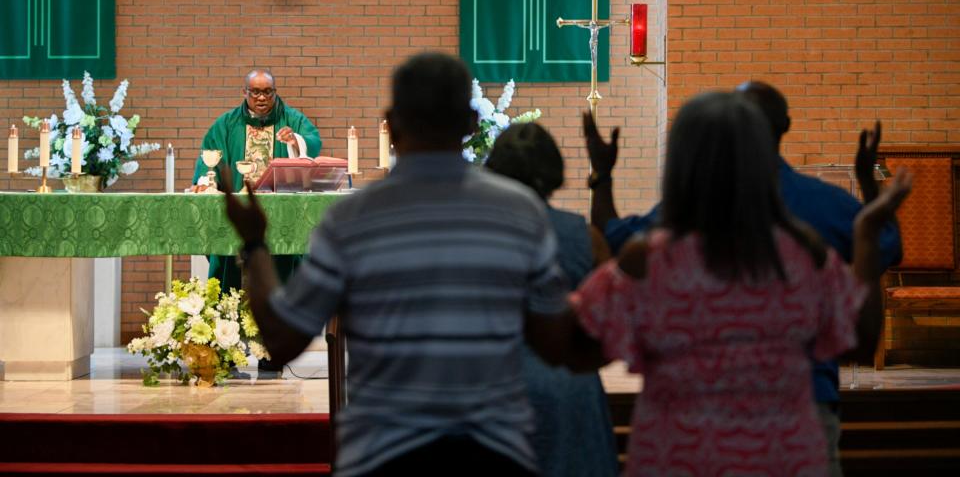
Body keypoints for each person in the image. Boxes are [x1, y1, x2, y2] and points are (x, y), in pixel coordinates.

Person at [222, 53, 573, 477]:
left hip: (382, 451)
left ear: (391, 124)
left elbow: (281, 341)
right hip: (493, 450)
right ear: (473, 125)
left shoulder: (351, 220)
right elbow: (557, 342)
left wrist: (256, 243)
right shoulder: (521, 214)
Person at [569, 92, 912, 475]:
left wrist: (601, 175)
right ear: (780, 130)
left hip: (682, 441)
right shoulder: (813, 233)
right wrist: (869, 193)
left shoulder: (662, 240)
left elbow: (611, 241)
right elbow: (883, 252)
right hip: (795, 423)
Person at [486, 123, 618, 477]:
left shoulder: (471, 234)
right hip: (569, 389)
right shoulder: (585, 237)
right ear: (553, 172)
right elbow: (611, 321)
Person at [192, 68, 322, 293]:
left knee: (284, 253)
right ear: (244, 92)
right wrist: (205, 180)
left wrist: (295, 140)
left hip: (281, 211)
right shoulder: (227, 124)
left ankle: (281, 312)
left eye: (267, 92)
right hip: (241, 213)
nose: (261, 97)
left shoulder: (292, 119)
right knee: (228, 253)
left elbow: (313, 142)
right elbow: (210, 156)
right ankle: (230, 316)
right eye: (255, 92)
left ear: (275, 92)